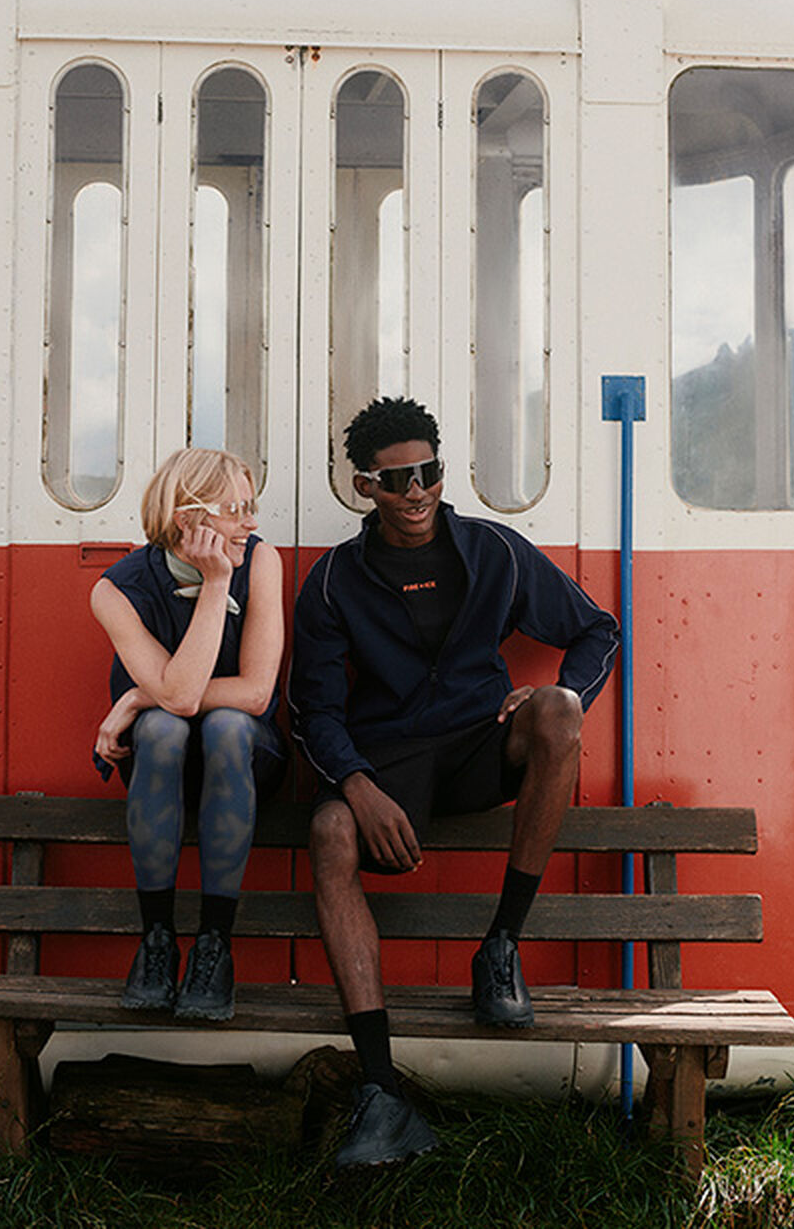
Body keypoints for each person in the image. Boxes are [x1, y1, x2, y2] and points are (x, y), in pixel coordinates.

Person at [289, 397, 620, 1168]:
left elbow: (596, 628)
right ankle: (381, 1095)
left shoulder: (496, 553)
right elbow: (312, 709)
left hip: (479, 749)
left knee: (561, 711)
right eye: (396, 479)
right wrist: (358, 786)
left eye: (429, 472)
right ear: (365, 487)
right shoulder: (334, 582)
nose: (416, 492)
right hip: (391, 766)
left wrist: (537, 696)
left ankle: (500, 945)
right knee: (329, 829)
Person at [91, 448, 287, 1020]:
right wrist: (213, 584)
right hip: (160, 764)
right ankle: (156, 943)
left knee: (225, 723)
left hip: (244, 760)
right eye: (236, 509)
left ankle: (212, 947)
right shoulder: (116, 591)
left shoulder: (261, 561)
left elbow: (255, 694)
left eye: (253, 508)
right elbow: (177, 697)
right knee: (161, 729)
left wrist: (130, 695)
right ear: (188, 519)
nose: (250, 523)